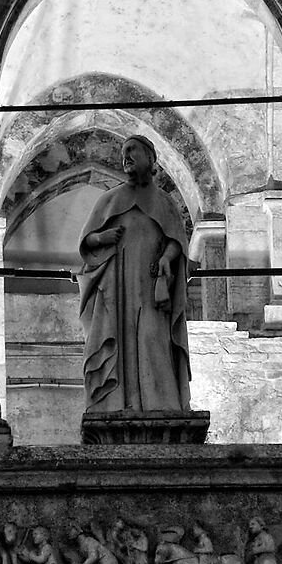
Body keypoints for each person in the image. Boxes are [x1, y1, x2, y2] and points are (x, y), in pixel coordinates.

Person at [77, 135, 194, 414]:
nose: (125, 157)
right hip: (116, 287)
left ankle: (161, 403)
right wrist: (102, 237)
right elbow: (87, 243)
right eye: (123, 152)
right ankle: (116, 403)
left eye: (132, 150)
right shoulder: (110, 200)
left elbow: (176, 239)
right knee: (119, 339)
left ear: (151, 159)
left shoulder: (164, 202)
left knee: (153, 338)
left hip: (151, 285)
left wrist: (167, 258)